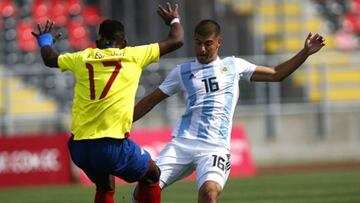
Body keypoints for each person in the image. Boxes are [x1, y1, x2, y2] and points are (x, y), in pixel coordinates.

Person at [132, 19, 325, 203]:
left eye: (208, 44)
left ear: (219, 43)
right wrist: (122, 122)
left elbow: (276, 74)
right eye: (198, 43)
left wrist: (305, 52)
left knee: (209, 194)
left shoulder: (234, 65)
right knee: (143, 191)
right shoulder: (181, 72)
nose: (202, 49)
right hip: (182, 144)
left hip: (214, 148)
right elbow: (151, 100)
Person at [31, 3, 183, 203]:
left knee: (105, 186)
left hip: (79, 148)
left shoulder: (82, 57)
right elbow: (177, 40)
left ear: (96, 41)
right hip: (111, 144)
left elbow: (50, 58)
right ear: (124, 42)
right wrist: (173, 20)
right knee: (152, 175)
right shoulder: (132, 55)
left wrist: (45, 40)